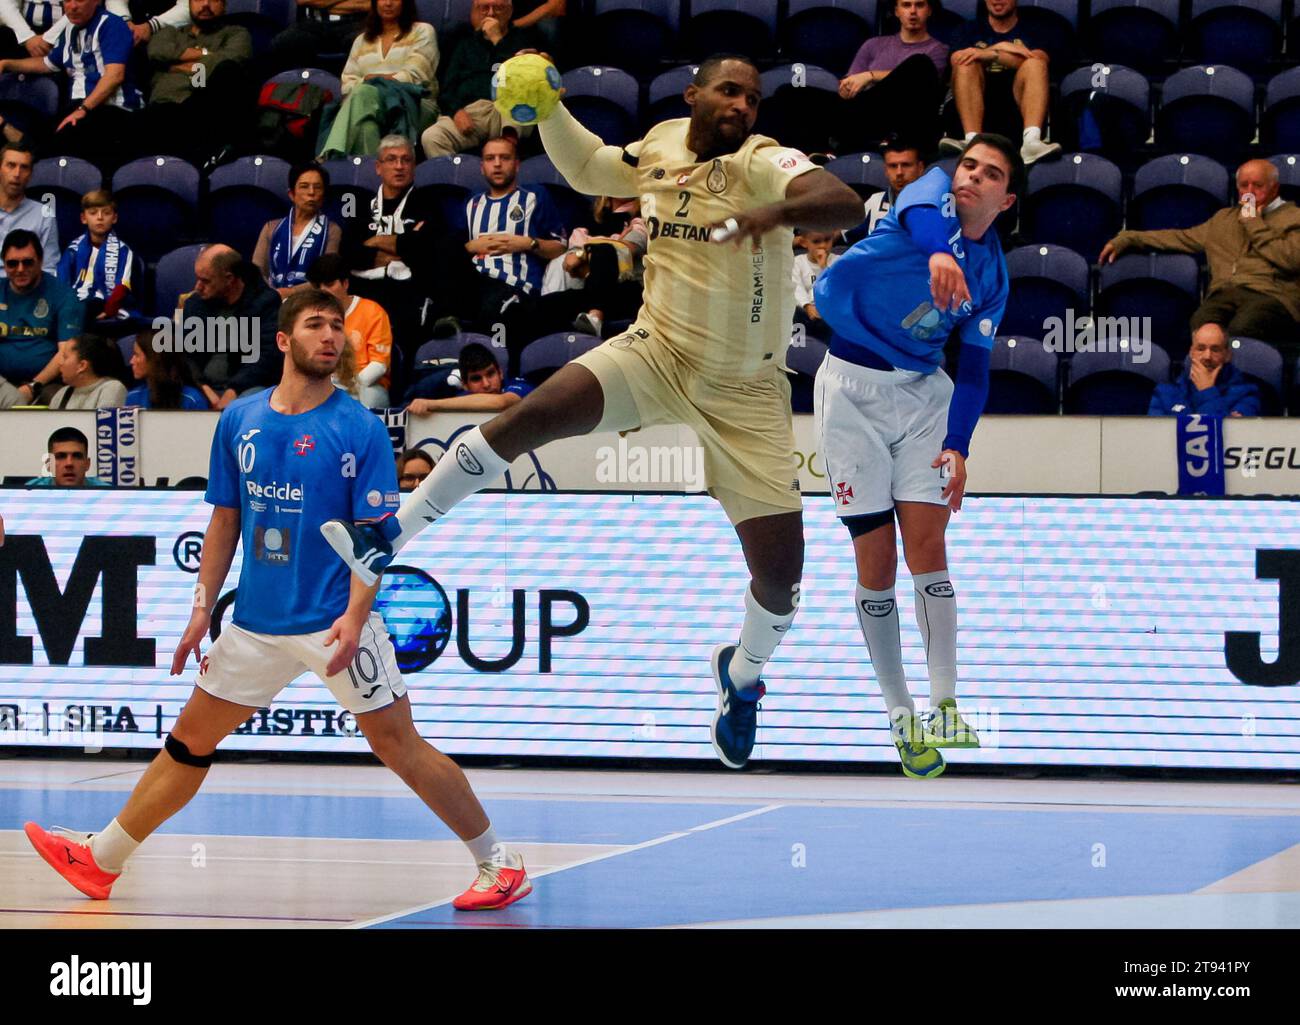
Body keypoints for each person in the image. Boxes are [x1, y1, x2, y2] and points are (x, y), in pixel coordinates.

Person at [322, 55, 864, 771]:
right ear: (695, 93)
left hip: (744, 391)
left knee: (780, 580)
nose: (742, 105)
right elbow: (591, 169)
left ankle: (740, 676)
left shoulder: (764, 161)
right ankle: (387, 536)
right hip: (658, 351)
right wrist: (547, 110)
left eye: (753, 97)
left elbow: (843, 203)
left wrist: (777, 212)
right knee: (531, 414)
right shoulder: (663, 144)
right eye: (728, 90)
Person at [22, 288, 533, 912]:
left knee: (398, 745)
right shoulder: (241, 418)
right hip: (255, 624)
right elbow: (223, 522)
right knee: (187, 741)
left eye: (336, 327)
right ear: (283, 341)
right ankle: (102, 861)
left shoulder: (360, 427)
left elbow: (375, 542)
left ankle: (497, 862)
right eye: (315, 325)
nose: (330, 336)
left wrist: (354, 618)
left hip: (333, 622)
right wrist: (202, 608)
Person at [812, 134, 1019, 779]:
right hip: (848, 387)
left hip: (924, 395)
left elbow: (977, 370)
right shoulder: (931, 193)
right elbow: (923, 217)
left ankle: (946, 703)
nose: (972, 178)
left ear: (1006, 199)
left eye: (989, 175)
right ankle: (900, 717)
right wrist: (937, 255)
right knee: (875, 563)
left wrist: (959, 446)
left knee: (927, 548)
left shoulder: (994, 276)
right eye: (969, 166)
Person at [1100, 159, 1300, 354]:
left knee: (1241, 330)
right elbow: (1179, 237)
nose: (1249, 192)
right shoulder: (1223, 219)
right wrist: (1128, 238)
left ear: (1274, 188)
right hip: (1224, 293)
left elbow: (1291, 260)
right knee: (1202, 330)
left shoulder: (1293, 217)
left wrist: (1254, 224)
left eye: (1257, 186)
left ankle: (1232, 385)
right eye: (1243, 185)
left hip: (1272, 297)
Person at [343, 133, 466, 355]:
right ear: (378, 167)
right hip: (365, 290)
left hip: (410, 293)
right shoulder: (361, 207)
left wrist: (378, 241)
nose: (399, 166)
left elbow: (428, 249)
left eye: (406, 160)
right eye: (391, 160)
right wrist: (393, 250)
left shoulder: (428, 203)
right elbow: (347, 252)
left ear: (414, 166)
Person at [0, 0, 144, 172]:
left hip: (112, 109)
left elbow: (114, 75)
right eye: (68, 1)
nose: (72, 6)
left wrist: (83, 109)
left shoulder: (112, 24)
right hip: (79, 108)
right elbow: (47, 64)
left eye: (80, 0)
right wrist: (6, 63)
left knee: (52, 147)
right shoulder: (69, 29)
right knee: (34, 129)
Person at [460, 134, 566, 362]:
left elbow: (560, 248)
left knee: (500, 308)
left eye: (504, 158)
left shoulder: (535, 197)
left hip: (515, 287)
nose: (497, 164)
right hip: (472, 283)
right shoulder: (471, 203)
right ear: (482, 167)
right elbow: (450, 250)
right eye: (490, 158)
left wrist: (528, 243)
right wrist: (470, 246)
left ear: (517, 165)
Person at [939, 0, 1060, 166]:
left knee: (1035, 65)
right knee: (966, 65)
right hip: (976, 99)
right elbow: (957, 60)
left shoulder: (1034, 29)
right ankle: (972, 141)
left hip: (1019, 102)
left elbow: (1039, 60)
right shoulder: (968, 29)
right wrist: (1003, 48)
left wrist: (991, 54)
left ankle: (1031, 141)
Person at [419, 0, 540, 159]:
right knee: (431, 137)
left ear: (510, 11)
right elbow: (448, 88)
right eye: (484, 8)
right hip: (471, 113)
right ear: (473, 13)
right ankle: (458, 181)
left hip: (505, 109)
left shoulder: (524, 39)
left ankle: (505, 160)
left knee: (514, 96)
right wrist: (456, 112)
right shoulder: (463, 43)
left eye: (498, 8)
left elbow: (515, 78)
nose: (491, 13)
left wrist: (497, 39)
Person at [317, 0, 439, 159]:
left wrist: (372, 81)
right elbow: (347, 84)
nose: (388, 3)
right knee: (366, 127)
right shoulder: (362, 40)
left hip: (414, 104)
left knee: (363, 91)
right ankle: (373, 177)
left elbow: (414, 76)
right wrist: (375, 83)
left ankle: (328, 155)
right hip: (367, 106)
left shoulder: (423, 31)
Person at [140, 0, 252, 168]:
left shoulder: (236, 34)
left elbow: (231, 59)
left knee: (228, 70)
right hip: (162, 109)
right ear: (189, 4)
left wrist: (174, 66)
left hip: (203, 110)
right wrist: (207, 56)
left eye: (213, 0)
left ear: (224, 5)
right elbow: (157, 51)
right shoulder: (170, 33)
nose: (206, 4)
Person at [838, 0, 948, 154]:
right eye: (906, 5)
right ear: (896, 11)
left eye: (920, 5)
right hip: (867, 114)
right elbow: (850, 85)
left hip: (907, 116)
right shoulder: (873, 45)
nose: (913, 11)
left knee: (920, 63)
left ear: (929, 10)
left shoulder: (938, 50)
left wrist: (871, 76)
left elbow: (922, 83)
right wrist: (847, 87)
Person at [182, 244, 283, 410]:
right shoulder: (195, 304)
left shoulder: (266, 302)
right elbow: (187, 356)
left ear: (229, 279)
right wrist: (202, 387)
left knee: (246, 403)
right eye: (197, 278)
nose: (197, 287)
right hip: (204, 387)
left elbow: (267, 358)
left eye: (205, 281)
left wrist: (234, 389)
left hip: (248, 387)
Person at [540, 195, 646, 337]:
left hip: (624, 289)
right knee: (539, 305)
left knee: (604, 251)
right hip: (585, 287)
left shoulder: (643, 217)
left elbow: (626, 249)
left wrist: (588, 248)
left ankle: (595, 316)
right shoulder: (590, 217)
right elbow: (571, 261)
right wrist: (601, 246)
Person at [0, 228, 83, 408]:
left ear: (41, 261)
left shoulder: (63, 295)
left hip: (47, 384)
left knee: (62, 403)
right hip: (1, 383)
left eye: (28, 262)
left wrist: (33, 386)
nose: (20, 269)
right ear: (4, 264)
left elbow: (66, 352)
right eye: (12, 263)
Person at [306, 252, 392, 408]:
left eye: (330, 283)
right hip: (325, 386)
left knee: (370, 395)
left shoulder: (372, 311)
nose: (324, 291)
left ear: (345, 283)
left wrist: (350, 384)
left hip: (366, 385)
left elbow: (379, 364)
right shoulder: (312, 317)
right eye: (319, 286)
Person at [252, 162, 342, 297]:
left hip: (311, 301)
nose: (311, 193)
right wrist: (271, 295)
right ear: (291, 194)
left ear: (323, 196)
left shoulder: (332, 230)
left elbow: (327, 277)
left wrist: (290, 292)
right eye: (304, 187)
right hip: (271, 301)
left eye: (317, 187)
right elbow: (256, 273)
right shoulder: (271, 228)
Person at [56, 188, 138, 322]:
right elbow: (61, 281)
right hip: (75, 304)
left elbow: (122, 285)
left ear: (114, 218)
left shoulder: (123, 250)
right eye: (93, 213)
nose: (100, 217)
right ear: (83, 218)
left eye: (106, 213)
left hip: (106, 306)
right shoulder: (73, 249)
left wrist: (109, 311)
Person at [1148, 331, 1261, 417]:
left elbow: (1230, 439)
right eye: (1201, 349)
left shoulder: (1247, 395)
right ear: (1191, 353)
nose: (1207, 356)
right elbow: (1155, 438)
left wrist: (1206, 391)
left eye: (1215, 350)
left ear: (1227, 355)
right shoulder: (1164, 394)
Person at [407, 340, 531, 413]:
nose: (486, 384)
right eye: (476, 379)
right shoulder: (461, 400)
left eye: (491, 373)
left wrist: (431, 404)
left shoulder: (520, 385)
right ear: (465, 384)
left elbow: (502, 402)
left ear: (500, 372)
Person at [846, 138, 927, 244]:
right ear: (886, 170)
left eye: (906, 165)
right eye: (893, 166)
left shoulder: (936, 203)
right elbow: (844, 235)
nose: (899, 172)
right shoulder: (875, 201)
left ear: (920, 168)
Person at [0, 142, 58, 276]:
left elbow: (49, 267)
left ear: (30, 174)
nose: (17, 173)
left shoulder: (44, 214)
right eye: (11, 165)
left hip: (26, 291)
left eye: (24, 167)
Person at [126, 329, 209, 408]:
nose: (131, 361)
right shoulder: (132, 398)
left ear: (155, 359)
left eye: (136, 355)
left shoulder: (192, 400)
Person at [47, 332, 128, 408]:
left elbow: (106, 422)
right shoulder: (62, 394)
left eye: (65, 357)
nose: (60, 363)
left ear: (82, 365)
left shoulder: (112, 389)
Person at [792, 229, 839, 342]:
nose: (823, 245)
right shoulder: (797, 262)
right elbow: (795, 287)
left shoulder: (838, 261)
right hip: (802, 315)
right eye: (816, 241)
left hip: (829, 314)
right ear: (804, 243)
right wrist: (807, 305)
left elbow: (836, 287)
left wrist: (823, 268)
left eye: (827, 240)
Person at [25, 425, 110, 486]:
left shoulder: (106, 494)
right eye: (60, 456)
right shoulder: (29, 491)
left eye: (77, 456)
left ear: (87, 464)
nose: (69, 464)